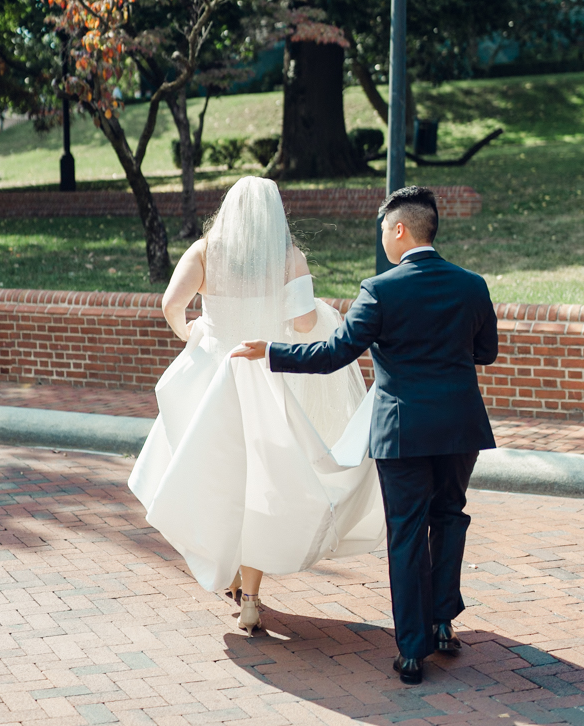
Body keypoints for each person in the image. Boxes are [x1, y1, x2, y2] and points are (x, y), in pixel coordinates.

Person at [233, 185, 498, 684]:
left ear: (400, 229)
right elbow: (486, 352)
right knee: (449, 517)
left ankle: (413, 652)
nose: (382, 238)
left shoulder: (380, 290)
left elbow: (334, 353)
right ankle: (442, 623)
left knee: (407, 533)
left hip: (402, 431)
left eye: (383, 229)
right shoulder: (472, 285)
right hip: (461, 426)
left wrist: (271, 353)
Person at [129, 176, 385, 635]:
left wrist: (196, 336)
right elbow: (306, 322)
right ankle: (250, 599)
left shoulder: (205, 251)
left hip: (213, 377)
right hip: (266, 379)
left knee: (213, 478)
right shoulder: (289, 258)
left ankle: (222, 568)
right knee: (259, 488)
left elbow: (172, 304)